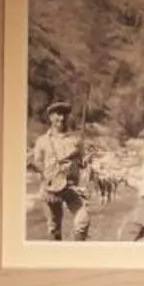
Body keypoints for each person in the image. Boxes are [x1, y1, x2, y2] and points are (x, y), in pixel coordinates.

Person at [30, 101, 93, 240]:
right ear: (51, 117)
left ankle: (77, 255)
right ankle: (57, 255)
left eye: (64, 114)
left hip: (71, 189)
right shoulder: (42, 141)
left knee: (83, 220)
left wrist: (86, 161)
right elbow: (38, 162)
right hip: (50, 190)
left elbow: (82, 163)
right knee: (54, 228)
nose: (61, 118)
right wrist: (47, 175)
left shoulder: (75, 140)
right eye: (58, 114)